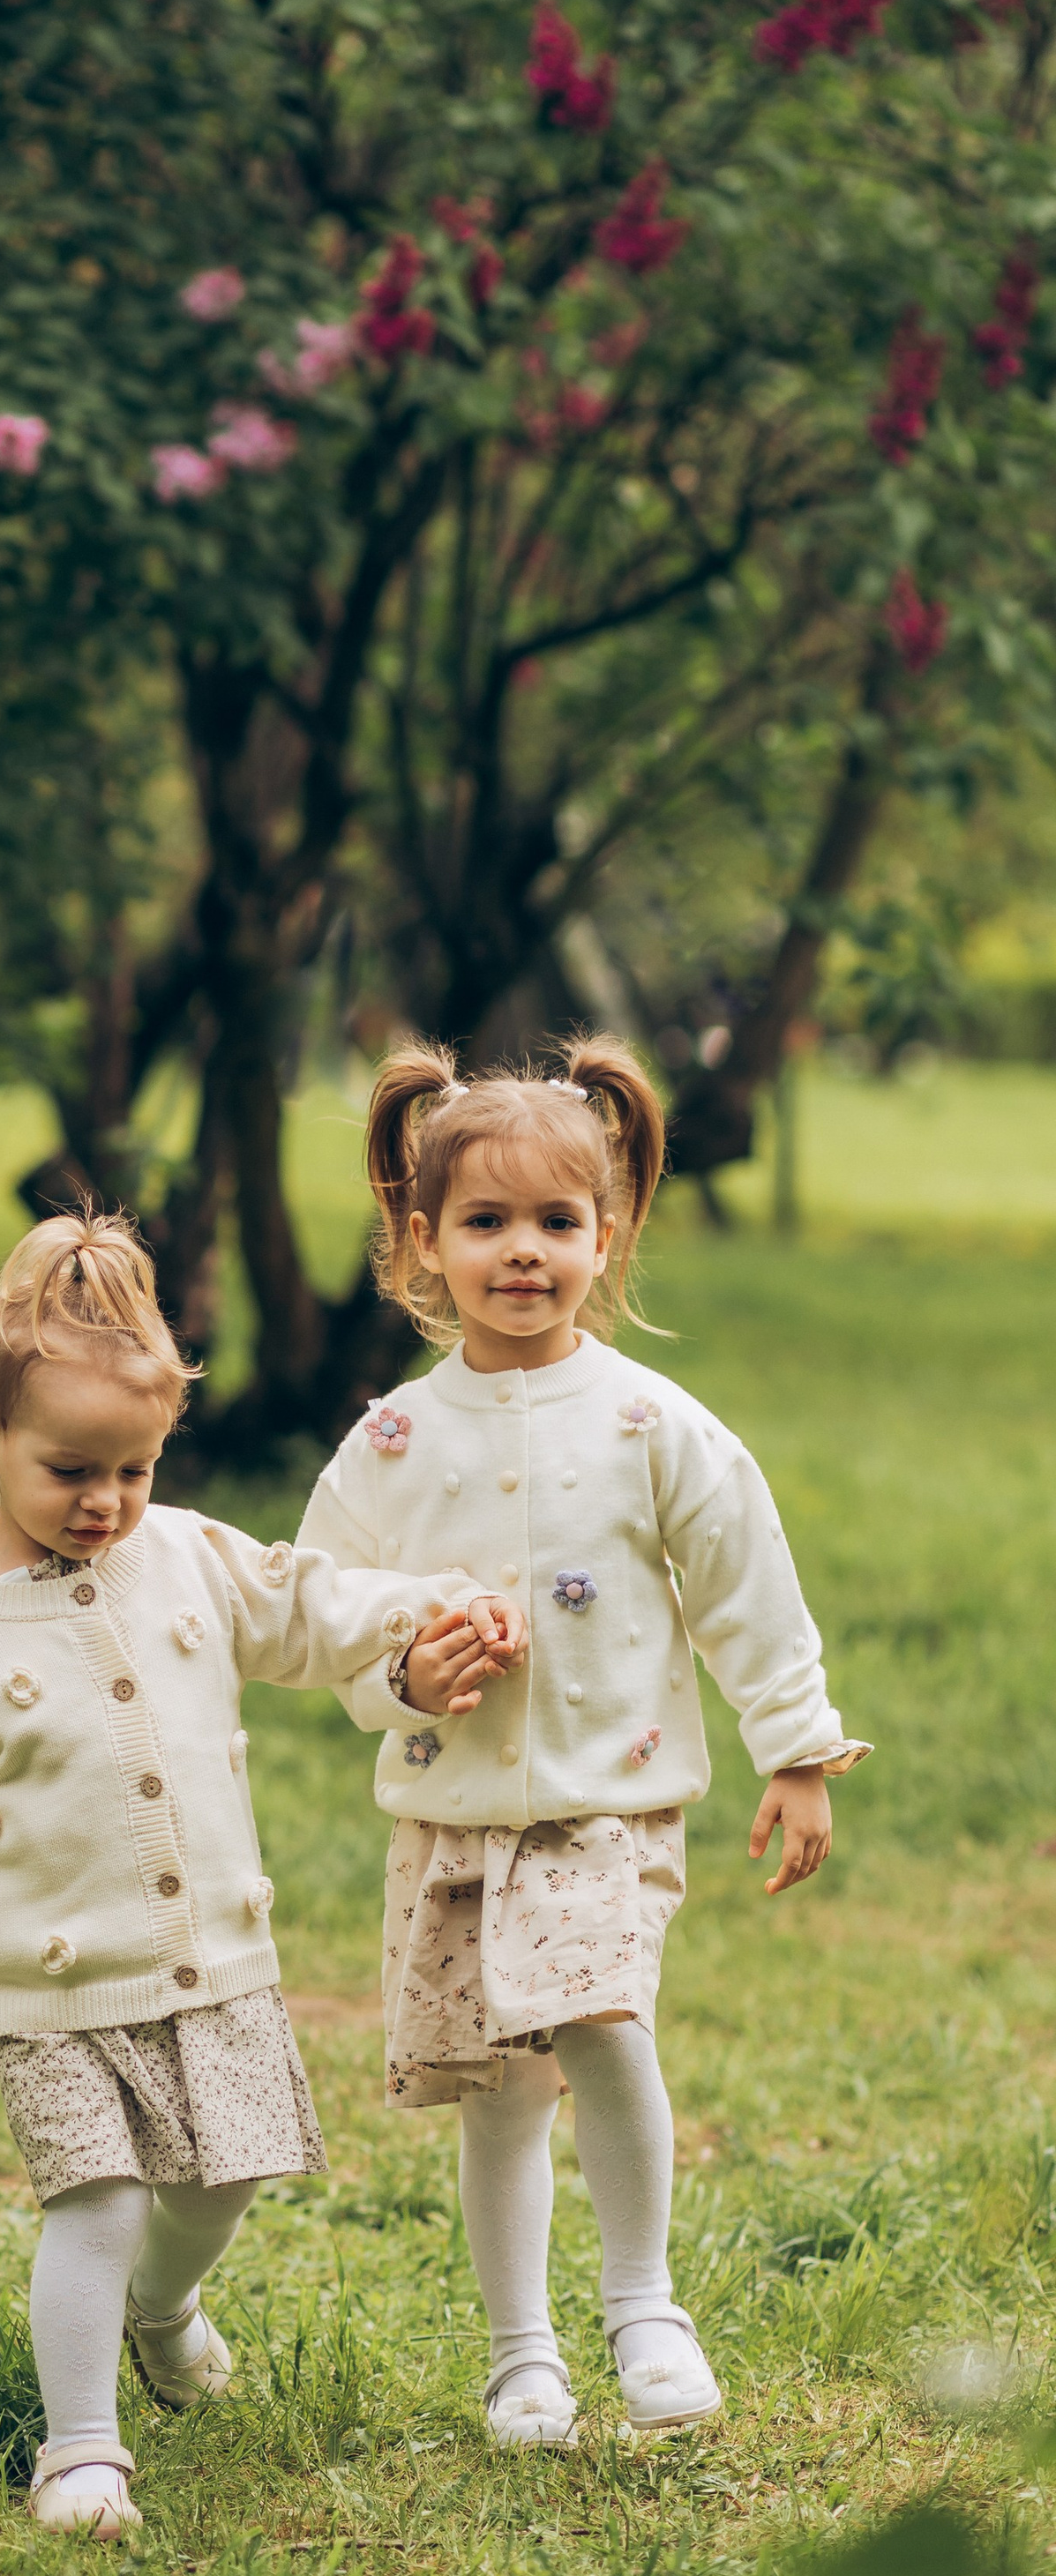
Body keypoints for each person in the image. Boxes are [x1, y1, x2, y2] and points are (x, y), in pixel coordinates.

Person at [0, 1213, 524, 2540]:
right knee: (101, 2201)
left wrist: (426, 1602)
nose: (106, 1500)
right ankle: (81, 2452)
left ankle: (163, 2311)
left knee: (224, 2180)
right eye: (69, 1468)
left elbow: (309, 1609)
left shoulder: (185, 1554)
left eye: (133, 1468)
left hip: (213, 1959)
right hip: (48, 1987)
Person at [301, 1036, 873, 2449]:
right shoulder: (387, 1443)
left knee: (604, 2026)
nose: (522, 1253)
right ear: (420, 1240)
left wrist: (795, 1748)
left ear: (606, 1234)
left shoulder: (650, 1423)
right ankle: (521, 2356)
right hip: (455, 1818)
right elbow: (320, 1620)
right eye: (485, 1224)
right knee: (499, 2094)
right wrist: (406, 1678)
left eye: (557, 1223)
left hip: (608, 1808)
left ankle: (642, 2304)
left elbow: (747, 1584)